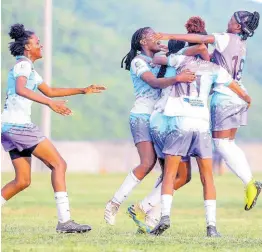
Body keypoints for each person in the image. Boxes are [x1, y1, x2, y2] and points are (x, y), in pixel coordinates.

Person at [1, 23, 106, 233]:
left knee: (22, 180)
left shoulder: (28, 68)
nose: (41, 46)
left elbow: (49, 90)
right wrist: (49, 104)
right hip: (19, 126)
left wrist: (82, 90)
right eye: (37, 43)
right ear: (27, 47)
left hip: (8, 127)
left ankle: (65, 222)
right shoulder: (23, 65)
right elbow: (21, 89)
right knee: (59, 164)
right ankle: (65, 221)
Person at [152, 11, 261, 210]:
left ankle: (249, 181)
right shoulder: (240, 45)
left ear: (238, 27)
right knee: (228, 143)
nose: (228, 21)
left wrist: (169, 35)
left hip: (224, 97)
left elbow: (201, 40)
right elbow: (206, 55)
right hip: (237, 94)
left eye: (232, 20)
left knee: (221, 144)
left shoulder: (226, 37)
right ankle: (250, 182)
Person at [147, 42, 251, 237]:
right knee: (207, 178)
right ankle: (211, 227)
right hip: (202, 125)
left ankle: (165, 217)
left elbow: (156, 59)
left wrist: (176, 52)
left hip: (180, 122)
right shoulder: (216, 68)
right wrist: (247, 98)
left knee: (170, 174)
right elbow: (235, 87)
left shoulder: (180, 60)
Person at [104, 27, 196, 226]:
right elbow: (153, 82)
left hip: (160, 118)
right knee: (147, 163)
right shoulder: (138, 62)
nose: (157, 38)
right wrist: (178, 78)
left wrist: (169, 53)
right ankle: (114, 203)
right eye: (152, 36)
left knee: (170, 172)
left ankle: (150, 215)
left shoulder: (158, 58)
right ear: (143, 42)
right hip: (142, 116)